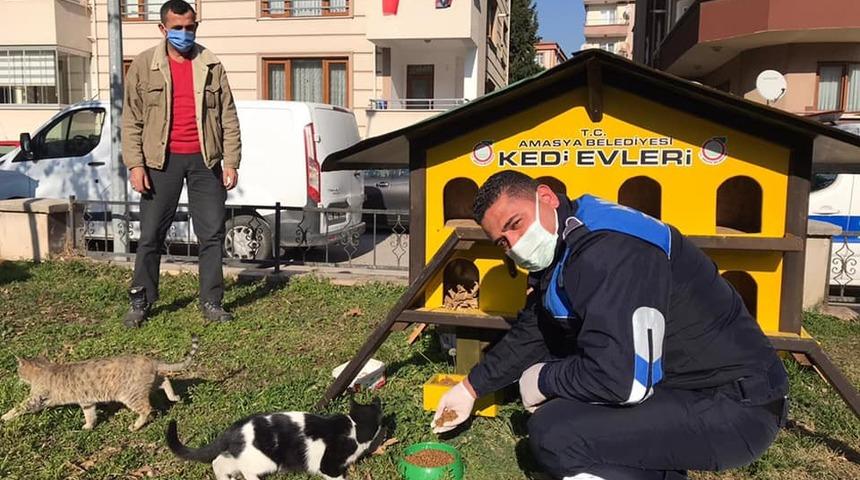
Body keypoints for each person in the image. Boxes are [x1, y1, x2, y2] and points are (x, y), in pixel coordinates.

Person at [431, 171, 788, 480]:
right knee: (558, 412)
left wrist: (542, 378)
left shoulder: (607, 252)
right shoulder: (567, 237)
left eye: (516, 225)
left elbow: (622, 382)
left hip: (737, 407)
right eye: (503, 242)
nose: (515, 246)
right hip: (683, 384)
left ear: (546, 197)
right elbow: (537, 328)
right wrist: (470, 388)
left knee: (554, 435)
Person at [122, 0, 241, 327]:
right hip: (160, 162)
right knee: (150, 236)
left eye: (190, 27)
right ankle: (141, 301)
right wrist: (136, 164)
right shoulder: (145, 65)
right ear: (163, 29)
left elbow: (228, 116)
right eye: (177, 28)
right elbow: (131, 120)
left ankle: (212, 301)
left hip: (206, 161)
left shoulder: (211, 64)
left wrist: (231, 161)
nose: (184, 33)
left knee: (212, 235)